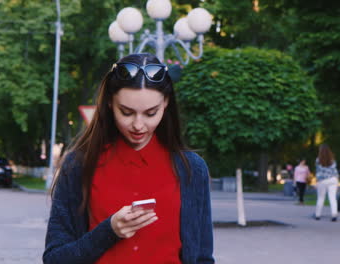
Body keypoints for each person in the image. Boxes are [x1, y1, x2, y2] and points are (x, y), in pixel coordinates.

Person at [43, 53, 214, 264]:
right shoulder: (79, 165)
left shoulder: (192, 169)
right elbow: (55, 259)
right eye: (126, 112)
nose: (138, 125)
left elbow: (203, 258)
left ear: (166, 103)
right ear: (109, 104)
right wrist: (109, 230)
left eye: (151, 113)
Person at [314, 144, 339, 222]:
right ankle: (334, 215)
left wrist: (316, 182)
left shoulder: (318, 160)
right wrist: (338, 183)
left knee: (320, 198)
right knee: (332, 198)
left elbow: (318, 172)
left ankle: (317, 215)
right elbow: (335, 172)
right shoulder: (332, 160)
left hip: (322, 181)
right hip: (333, 180)